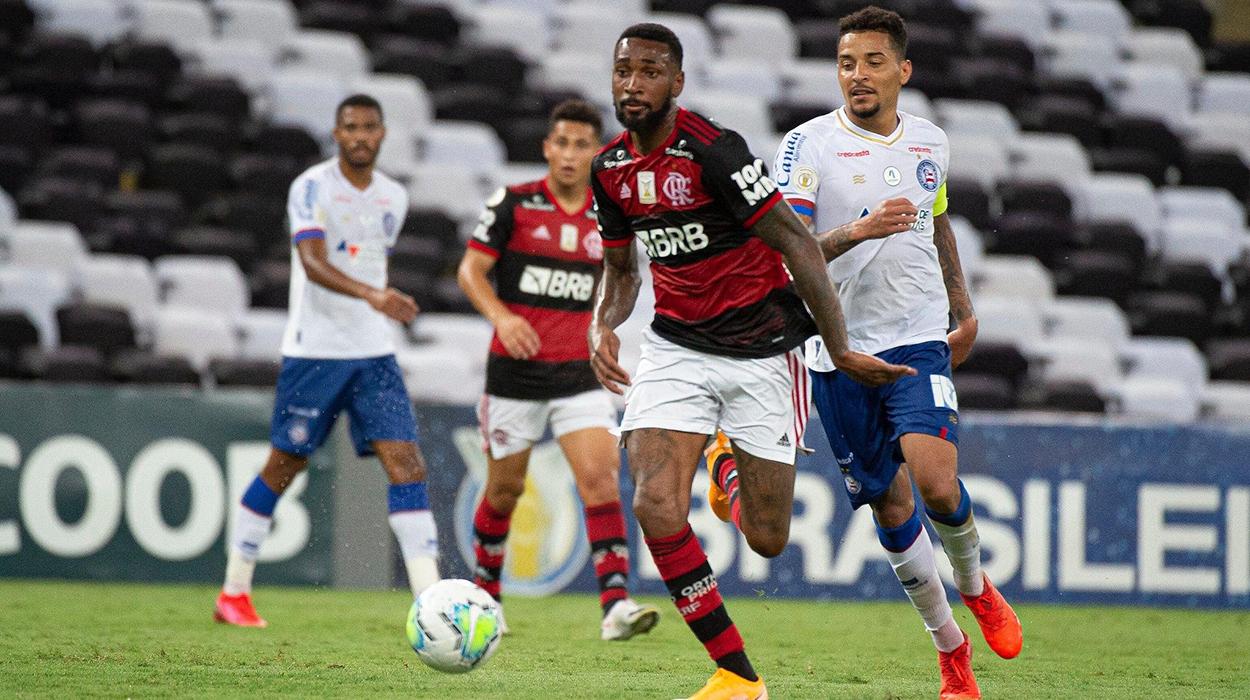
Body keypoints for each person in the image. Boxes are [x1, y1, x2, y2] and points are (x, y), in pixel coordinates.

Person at [589, 23, 914, 700]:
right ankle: (738, 676)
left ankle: (725, 466)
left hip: (764, 351)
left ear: (676, 84)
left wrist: (842, 346)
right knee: (654, 503)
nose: (633, 85)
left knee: (766, 539)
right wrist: (600, 327)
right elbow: (621, 272)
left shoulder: (713, 152)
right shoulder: (610, 169)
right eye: (624, 72)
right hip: (677, 347)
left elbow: (796, 243)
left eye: (649, 72)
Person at [771, 7, 1023, 699]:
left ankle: (976, 587)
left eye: (873, 62)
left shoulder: (930, 142)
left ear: (902, 71)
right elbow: (792, 256)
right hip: (836, 346)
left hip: (917, 333)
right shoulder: (806, 145)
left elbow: (938, 224)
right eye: (848, 63)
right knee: (889, 502)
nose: (858, 75)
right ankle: (951, 651)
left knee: (937, 482)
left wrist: (963, 308)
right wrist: (858, 230)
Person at [214, 94, 440, 627]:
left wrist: (374, 305)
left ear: (382, 134)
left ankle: (430, 602)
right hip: (314, 351)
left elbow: (366, 256)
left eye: (368, 127)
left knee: (407, 464)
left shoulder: (394, 197)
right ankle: (234, 591)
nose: (359, 136)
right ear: (336, 135)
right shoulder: (311, 188)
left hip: (374, 354)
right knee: (283, 465)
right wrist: (374, 296)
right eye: (349, 128)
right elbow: (312, 263)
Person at [456, 99, 660, 641]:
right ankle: (486, 597)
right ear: (548, 147)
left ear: (597, 152)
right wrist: (502, 318)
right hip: (514, 376)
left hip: (577, 373)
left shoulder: (609, 212)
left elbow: (623, 279)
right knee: (504, 491)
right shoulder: (514, 203)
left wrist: (607, 326)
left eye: (581, 145)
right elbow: (471, 271)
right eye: (561, 143)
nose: (570, 154)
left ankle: (615, 606)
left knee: (599, 482)